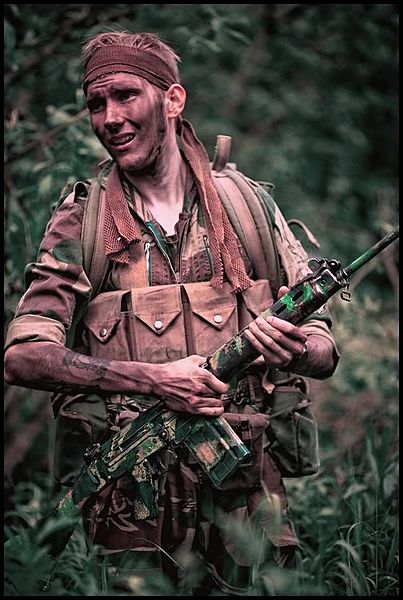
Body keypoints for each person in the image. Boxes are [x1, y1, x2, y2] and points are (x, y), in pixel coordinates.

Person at [4, 31, 339, 595]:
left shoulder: (247, 206)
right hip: (128, 519)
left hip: (248, 511)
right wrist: (156, 381)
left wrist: (299, 348)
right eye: (96, 103)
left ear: (173, 100)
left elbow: (323, 346)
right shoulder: (80, 223)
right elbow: (22, 357)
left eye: (127, 95)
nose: (109, 117)